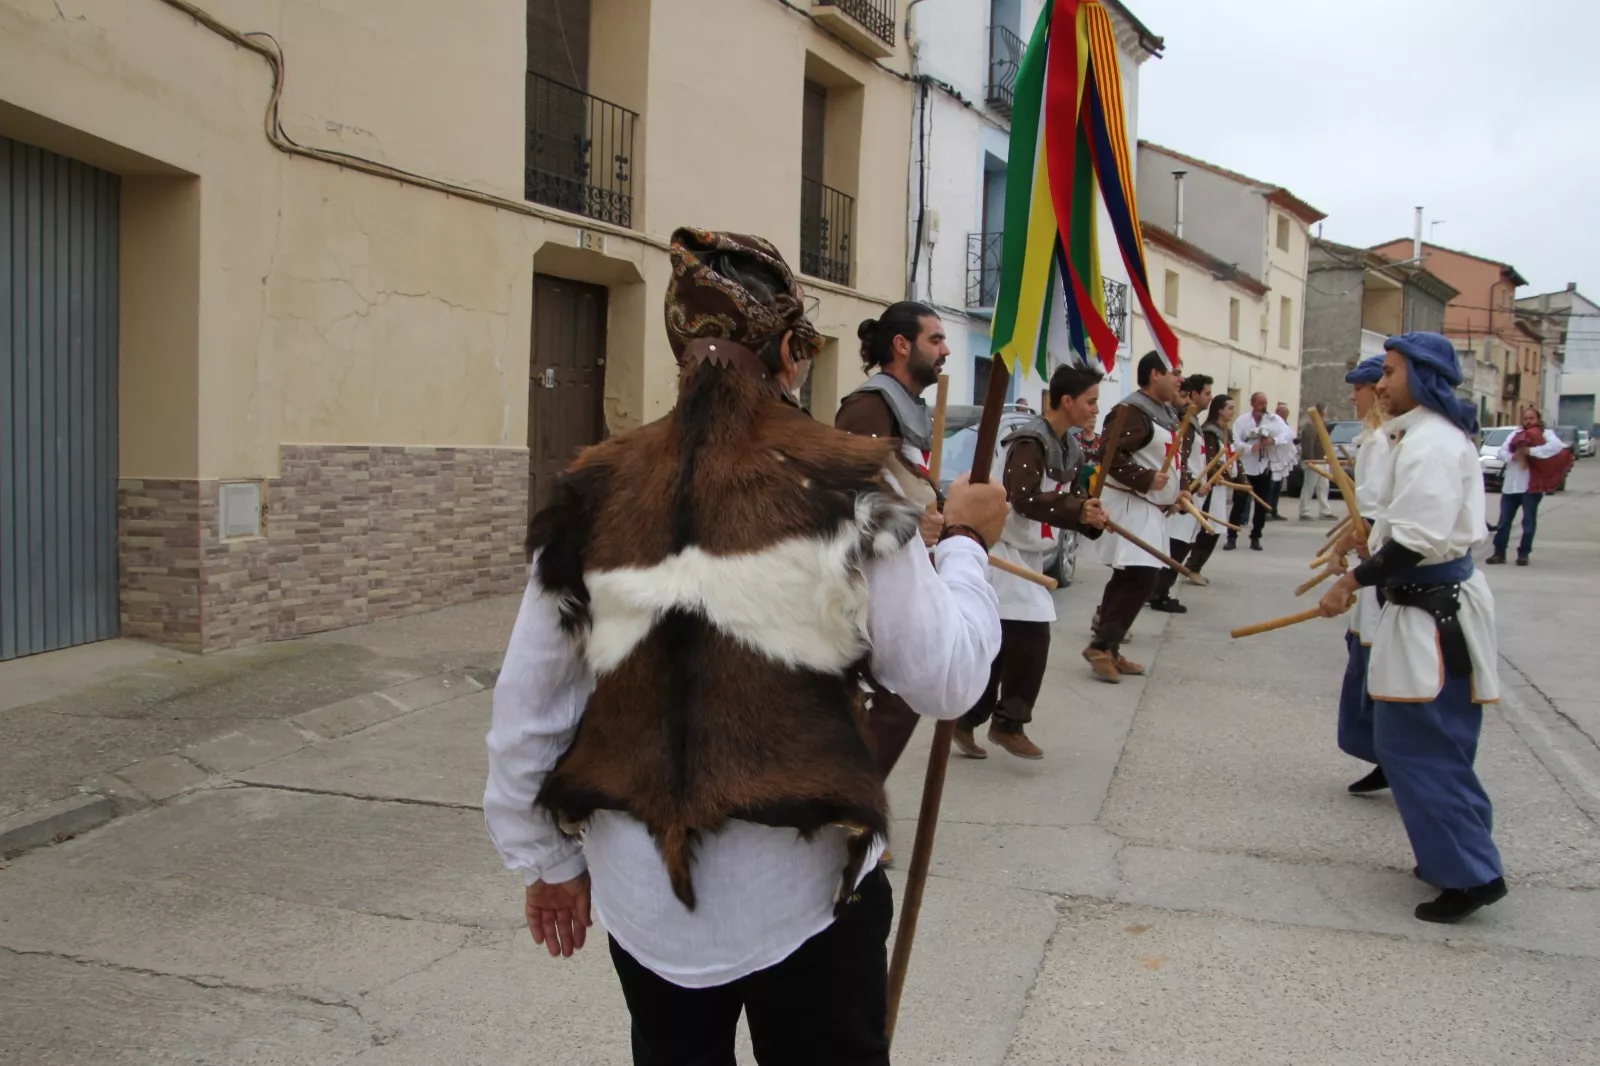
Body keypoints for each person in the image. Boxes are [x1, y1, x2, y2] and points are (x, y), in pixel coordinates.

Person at [484, 228, 1008, 1064]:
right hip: (804, 898)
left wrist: (543, 860)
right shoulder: (845, 482)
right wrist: (971, 552)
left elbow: (529, 705)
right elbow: (945, 680)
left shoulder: (591, 489)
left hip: (646, 899)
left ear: (675, 347)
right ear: (792, 354)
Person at [1318, 331, 1507, 924]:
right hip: (1426, 606)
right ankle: (1459, 858)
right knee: (1429, 742)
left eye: (1392, 372)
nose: (1380, 383)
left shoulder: (1430, 445)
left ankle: (1472, 874)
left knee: (1421, 743)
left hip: (1435, 610)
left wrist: (1351, 582)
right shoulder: (1419, 438)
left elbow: (1417, 541)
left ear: (1422, 377)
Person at [954, 363, 1108, 760]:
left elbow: (1067, 502)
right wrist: (1076, 510)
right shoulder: (1028, 441)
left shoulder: (1070, 446)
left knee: (1001, 645)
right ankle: (1008, 723)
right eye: (1091, 401)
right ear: (1067, 401)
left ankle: (966, 718)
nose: (1095, 409)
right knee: (1032, 636)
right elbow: (1021, 498)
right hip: (1002, 552)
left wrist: (1088, 516)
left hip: (1031, 556)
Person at [835, 302, 951, 785]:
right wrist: (909, 524)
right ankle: (850, 804)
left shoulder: (903, 407)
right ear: (902, 346)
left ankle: (855, 803)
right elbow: (844, 492)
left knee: (901, 692)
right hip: (870, 576)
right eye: (935, 340)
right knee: (895, 691)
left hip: (902, 571)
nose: (945, 350)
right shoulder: (868, 407)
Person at [1084, 352, 1187, 682]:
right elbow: (1109, 454)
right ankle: (1102, 645)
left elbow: (1162, 459)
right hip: (1132, 504)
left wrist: (1175, 492)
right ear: (1155, 374)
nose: (1180, 380)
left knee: (1132, 577)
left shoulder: (1163, 413)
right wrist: (1146, 479)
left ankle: (1108, 647)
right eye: (1175, 372)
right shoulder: (1131, 411)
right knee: (1140, 577)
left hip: (1147, 507)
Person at [1329, 357, 1390, 795]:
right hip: (1380, 559)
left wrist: (1341, 552)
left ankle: (1393, 757)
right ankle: (1386, 756)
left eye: (1360, 388)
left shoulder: (1380, 441)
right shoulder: (1381, 439)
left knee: (1376, 662)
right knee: (1367, 654)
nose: (1353, 396)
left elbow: (1368, 514)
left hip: (1386, 565)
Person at [1149, 374, 1214, 613]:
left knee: (1182, 542)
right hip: (1182, 494)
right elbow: (1181, 461)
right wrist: (1187, 488)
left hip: (1191, 493)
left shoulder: (1192, 422)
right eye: (1185, 395)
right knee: (1175, 545)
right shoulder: (1181, 423)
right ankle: (1159, 591)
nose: (1186, 400)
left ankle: (1160, 590)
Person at [1488, 406, 1570, 566]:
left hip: (1531, 487)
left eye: (1531, 418)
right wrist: (1514, 456)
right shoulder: (1515, 434)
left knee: (1529, 522)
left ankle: (1523, 554)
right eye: (1526, 418)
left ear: (1538, 419)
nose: (1528, 422)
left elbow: (1557, 447)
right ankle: (1499, 553)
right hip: (1510, 486)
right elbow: (1502, 452)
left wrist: (1530, 451)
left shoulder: (1546, 434)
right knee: (1504, 521)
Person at [1227, 393, 1294, 550]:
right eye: (1260, 403)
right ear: (1252, 404)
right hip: (1245, 468)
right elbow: (1235, 442)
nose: (1263, 407)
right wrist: (1251, 448)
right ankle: (1231, 536)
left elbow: (1289, 433)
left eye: (1265, 403)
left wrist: (1273, 440)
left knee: (1261, 505)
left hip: (1264, 467)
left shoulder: (1272, 419)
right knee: (1239, 504)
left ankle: (1256, 537)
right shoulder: (1242, 421)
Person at [1184, 394, 1237, 580]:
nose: (1233, 411)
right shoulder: (1209, 432)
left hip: (1220, 488)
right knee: (1207, 528)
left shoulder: (1226, 432)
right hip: (1208, 487)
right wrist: (1218, 475)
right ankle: (1192, 567)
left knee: (1213, 529)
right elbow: (1209, 460)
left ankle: (1196, 566)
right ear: (1219, 409)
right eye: (1230, 407)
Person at [1298, 402, 1337, 520]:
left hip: (1323, 461)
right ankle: (1304, 511)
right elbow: (1308, 444)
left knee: (1324, 486)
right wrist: (1310, 460)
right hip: (1314, 461)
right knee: (1309, 486)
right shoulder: (1311, 426)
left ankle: (1325, 511)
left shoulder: (1322, 424)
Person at [1268, 402, 1298, 520]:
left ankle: (1274, 510)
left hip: (1282, 461)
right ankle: (1268, 511)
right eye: (1281, 413)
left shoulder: (1285, 426)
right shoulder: (1272, 425)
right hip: (1273, 460)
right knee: (1271, 487)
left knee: (1277, 488)